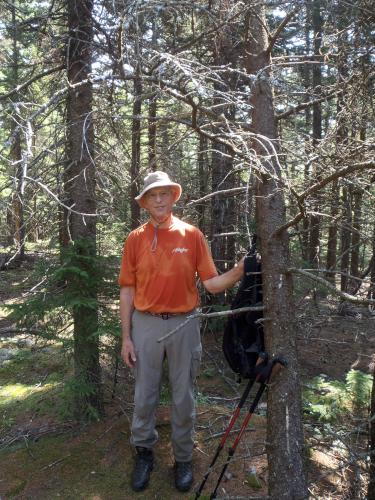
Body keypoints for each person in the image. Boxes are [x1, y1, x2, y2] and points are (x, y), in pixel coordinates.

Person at [119, 171, 245, 493]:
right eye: (152, 195)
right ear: (145, 202)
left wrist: (240, 271)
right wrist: (127, 337)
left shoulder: (191, 235)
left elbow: (212, 284)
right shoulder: (135, 239)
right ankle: (144, 453)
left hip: (183, 324)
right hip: (145, 324)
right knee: (144, 395)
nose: (159, 200)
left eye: (164, 194)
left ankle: (184, 458)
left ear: (173, 197)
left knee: (183, 396)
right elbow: (127, 290)